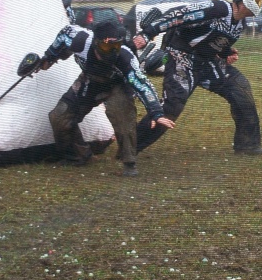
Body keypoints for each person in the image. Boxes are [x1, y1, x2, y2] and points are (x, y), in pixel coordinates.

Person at [132, 0, 262, 156]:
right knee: (171, 107)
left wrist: (227, 53)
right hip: (181, 58)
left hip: (207, 62)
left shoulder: (240, 24)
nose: (257, 6)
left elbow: (217, 42)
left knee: (240, 89)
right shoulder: (218, 8)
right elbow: (179, 15)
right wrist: (148, 33)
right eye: (255, 1)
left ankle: (248, 145)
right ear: (240, 2)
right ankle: (130, 148)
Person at [40, 19, 175, 177]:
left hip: (117, 86)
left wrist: (156, 112)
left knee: (123, 121)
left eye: (115, 46)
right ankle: (77, 155)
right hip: (89, 81)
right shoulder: (80, 40)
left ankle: (129, 162)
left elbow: (142, 84)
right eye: (106, 46)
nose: (111, 51)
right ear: (96, 42)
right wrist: (49, 57)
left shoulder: (125, 58)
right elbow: (64, 34)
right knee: (59, 116)